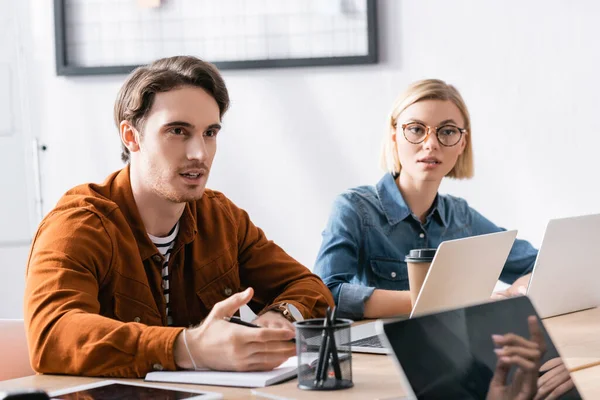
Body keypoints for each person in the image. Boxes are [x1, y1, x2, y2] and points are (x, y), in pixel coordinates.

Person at [24, 56, 334, 378]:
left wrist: (277, 320)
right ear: (132, 137)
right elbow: (51, 335)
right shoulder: (78, 225)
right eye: (177, 131)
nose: (199, 153)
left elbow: (308, 287)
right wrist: (187, 347)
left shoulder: (221, 218)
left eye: (210, 133)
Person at [314, 79, 536, 320]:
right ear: (394, 136)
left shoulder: (460, 216)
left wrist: (514, 294)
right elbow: (326, 295)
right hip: (378, 352)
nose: (431, 144)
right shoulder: (354, 208)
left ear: (462, 143)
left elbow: (541, 266)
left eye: (448, 131)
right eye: (416, 129)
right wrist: (445, 301)